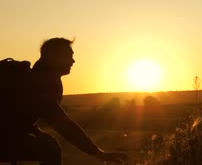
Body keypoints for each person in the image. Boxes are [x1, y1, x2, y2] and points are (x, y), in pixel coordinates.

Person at [0, 38, 128, 164]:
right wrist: (96, 152)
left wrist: (36, 131)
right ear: (52, 57)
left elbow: (19, 114)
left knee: (49, 144)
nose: (73, 61)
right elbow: (61, 123)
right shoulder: (40, 83)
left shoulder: (33, 78)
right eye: (68, 56)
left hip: (7, 137)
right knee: (50, 149)